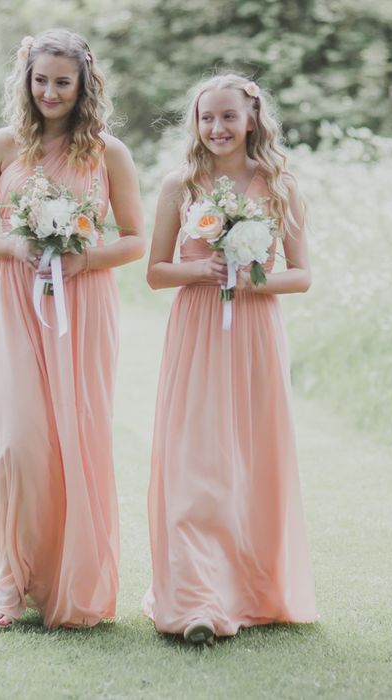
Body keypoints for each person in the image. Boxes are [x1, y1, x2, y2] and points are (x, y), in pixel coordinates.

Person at [0, 29, 144, 629]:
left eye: (63, 81)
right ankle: (11, 578)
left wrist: (80, 257)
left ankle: (70, 578)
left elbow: (136, 240)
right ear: (26, 79)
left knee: (74, 443)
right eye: (41, 80)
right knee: (18, 444)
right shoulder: (0, 146)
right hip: (14, 302)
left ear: (84, 84)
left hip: (83, 307)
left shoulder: (108, 153)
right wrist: (16, 244)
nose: (50, 91)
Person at [143, 73, 318, 645]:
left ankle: (250, 591)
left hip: (254, 333)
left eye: (227, 117)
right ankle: (195, 601)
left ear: (251, 120)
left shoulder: (280, 186)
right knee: (195, 464)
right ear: (195, 124)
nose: (216, 128)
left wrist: (253, 280)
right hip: (197, 332)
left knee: (249, 461)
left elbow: (302, 276)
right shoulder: (179, 184)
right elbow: (155, 272)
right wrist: (203, 269)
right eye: (206, 117)